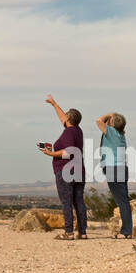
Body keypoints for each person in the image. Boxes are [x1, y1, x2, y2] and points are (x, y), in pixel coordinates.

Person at [41, 93, 86, 239]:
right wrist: (54, 104)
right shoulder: (78, 131)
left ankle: (69, 232)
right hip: (79, 170)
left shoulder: (68, 132)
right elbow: (63, 118)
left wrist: (50, 154)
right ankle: (83, 232)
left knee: (66, 201)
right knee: (79, 201)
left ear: (68, 119)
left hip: (66, 170)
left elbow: (67, 152)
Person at [97, 112, 132, 239]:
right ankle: (127, 230)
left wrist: (110, 114)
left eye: (110, 121)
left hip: (113, 169)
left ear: (112, 124)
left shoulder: (112, 133)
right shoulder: (121, 135)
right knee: (124, 201)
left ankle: (126, 231)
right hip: (122, 168)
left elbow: (98, 121)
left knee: (122, 202)